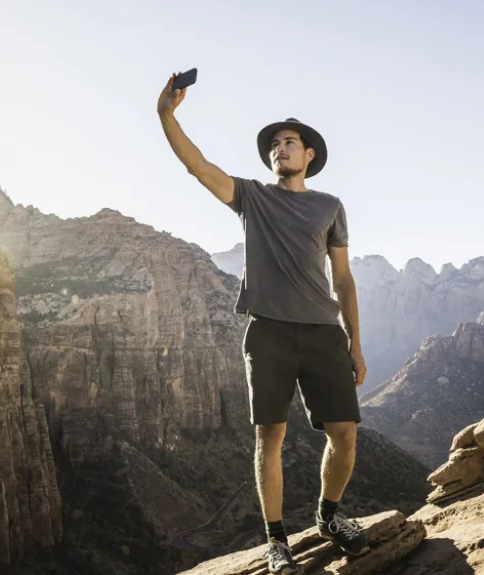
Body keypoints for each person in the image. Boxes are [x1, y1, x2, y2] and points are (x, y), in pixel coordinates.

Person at [156, 73, 369, 574]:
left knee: (345, 433)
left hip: (322, 332)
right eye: (274, 144)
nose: (280, 149)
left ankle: (328, 517)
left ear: (309, 154)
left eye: (289, 143)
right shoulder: (252, 196)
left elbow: (344, 279)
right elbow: (198, 167)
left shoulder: (330, 207)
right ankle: (276, 542)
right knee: (268, 436)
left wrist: (356, 345)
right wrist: (167, 115)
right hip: (269, 331)